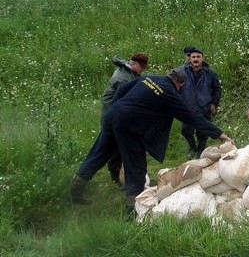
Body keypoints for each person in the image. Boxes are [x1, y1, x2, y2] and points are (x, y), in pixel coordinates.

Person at [70, 68, 233, 212]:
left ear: (169, 75)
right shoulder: (170, 94)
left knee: (99, 152)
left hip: (113, 116)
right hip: (130, 127)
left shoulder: (148, 78)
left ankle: (76, 188)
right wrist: (218, 134)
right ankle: (131, 206)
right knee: (135, 164)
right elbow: (192, 117)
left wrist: (117, 107)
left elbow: (121, 90)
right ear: (180, 85)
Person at [101, 52, 149, 190]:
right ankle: (116, 177)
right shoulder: (124, 78)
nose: (143, 71)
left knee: (119, 146)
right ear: (135, 65)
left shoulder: (129, 73)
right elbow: (125, 101)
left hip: (118, 114)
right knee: (114, 147)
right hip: (113, 116)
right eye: (142, 68)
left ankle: (123, 175)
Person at [180, 47, 222, 158]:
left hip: (204, 107)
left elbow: (217, 88)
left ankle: (200, 151)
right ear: (190, 58)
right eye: (193, 57)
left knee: (203, 132)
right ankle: (192, 146)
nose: (196, 59)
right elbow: (176, 87)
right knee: (185, 130)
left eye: (198, 57)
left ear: (202, 58)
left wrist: (214, 103)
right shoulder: (182, 72)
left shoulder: (210, 73)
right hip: (187, 108)